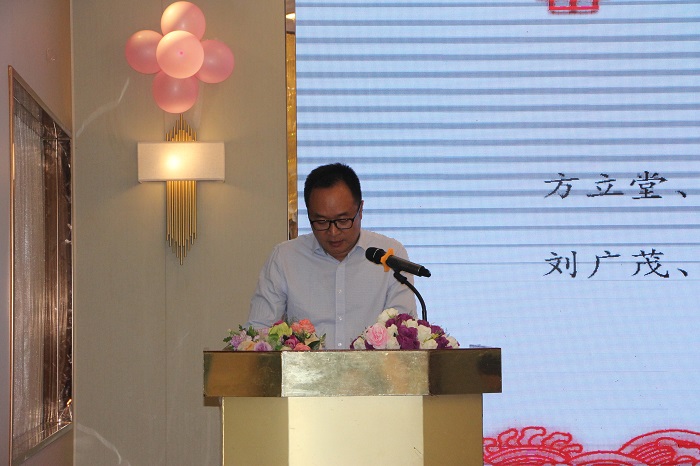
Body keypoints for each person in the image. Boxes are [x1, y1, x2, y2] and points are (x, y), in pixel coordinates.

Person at [247, 163, 417, 349]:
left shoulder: (391, 255)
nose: (333, 232)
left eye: (343, 220)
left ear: (360, 210)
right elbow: (259, 332)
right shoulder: (284, 258)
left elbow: (403, 333)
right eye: (321, 221)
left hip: (376, 368)